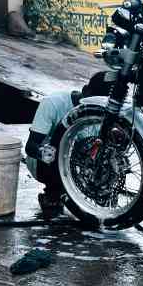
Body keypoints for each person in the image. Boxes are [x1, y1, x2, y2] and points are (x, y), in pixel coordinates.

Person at [25, 71, 112, 216]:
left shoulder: (105, 111)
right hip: (45, 163)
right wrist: (45, 153)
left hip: (80, 162)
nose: (96, 108)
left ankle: (79, 193)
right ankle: (52, 193)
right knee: (59, 148)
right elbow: (31, 147)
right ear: (85, 90)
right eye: (94, 101)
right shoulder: (53, 103)